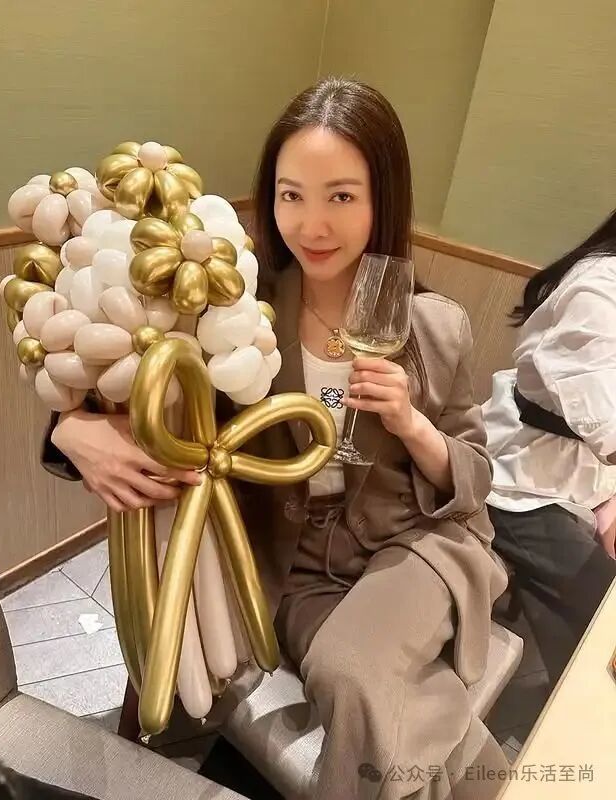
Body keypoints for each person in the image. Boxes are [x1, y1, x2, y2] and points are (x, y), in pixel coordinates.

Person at [44, 77, 509, 800]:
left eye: (342, 196)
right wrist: (69, 428)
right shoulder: (239, 310)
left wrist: (412, 424)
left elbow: (474, 475)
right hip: (293, 561)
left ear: (384, 199)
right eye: (292, 195)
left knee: (353, 671)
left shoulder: (435, 326)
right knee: (360, 685)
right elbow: (136, 381)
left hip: (412, 543)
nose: (312, 224)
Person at [483, 210, 616, 685]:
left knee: (586, 625)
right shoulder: (599, 285)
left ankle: (546, 695)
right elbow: (603, 411)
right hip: (520, 483)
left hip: (587, 482)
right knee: (603, 610)